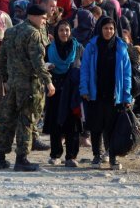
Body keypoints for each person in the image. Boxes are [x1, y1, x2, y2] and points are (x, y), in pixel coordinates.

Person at [0, 4, 56, 172]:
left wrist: (6, 78)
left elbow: (1, 58)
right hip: (29, 85)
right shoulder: (33, 34)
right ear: (33, 16)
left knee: (7, 121)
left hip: (13, 84)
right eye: (43, 18)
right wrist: (48, 82)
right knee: (26, 121)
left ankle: (0, 158)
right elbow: (37, 63)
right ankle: (22, 159)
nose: (44, 21)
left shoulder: (11, 31)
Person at [80, 17, 132, 170]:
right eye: (105, 28)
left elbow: (127, 74)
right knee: (96, 127)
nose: (108, 31)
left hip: (114, 96)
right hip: (96, 94)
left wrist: (126, 95)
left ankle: (112, 157)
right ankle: (97, 156)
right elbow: (85, 69)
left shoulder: (121, 47)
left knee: (112, 127)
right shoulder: (92, 46)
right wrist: (84, 89)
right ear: (100, 29)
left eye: (111, 28)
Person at [43, 20, 84, 167]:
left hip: (73, 92)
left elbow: (83, 66)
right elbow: (42, 67)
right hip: (55, 90)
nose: (64, 33)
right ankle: (55, 154)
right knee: (55, 123)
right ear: (56, 32)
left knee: (72, 124)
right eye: (61, 30)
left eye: (67, 30)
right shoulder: (49, 49)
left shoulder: (78, 48)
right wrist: (47, 66)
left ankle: (71, 156)